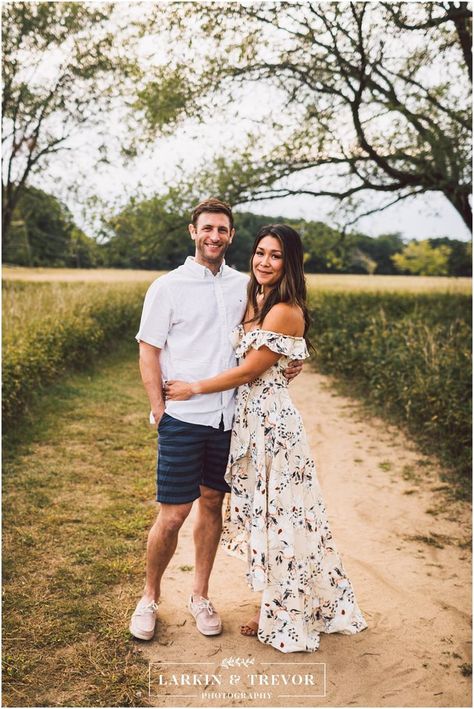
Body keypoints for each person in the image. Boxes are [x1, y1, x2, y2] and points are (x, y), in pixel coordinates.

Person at [166, 223, 368, 653]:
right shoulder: (256, 298)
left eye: (275, 256)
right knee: (267, 515)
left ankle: (282, 609)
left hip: (273, 427)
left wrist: (193, 387)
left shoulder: (284, 309)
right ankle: (273, 602)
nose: (264, 262)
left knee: (283, 517)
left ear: (289, 262)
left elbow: (249, 370)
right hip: (250, 421)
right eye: (260, 253)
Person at [130, 198, 301, 641]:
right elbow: (149, 351)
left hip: (232, 421)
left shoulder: (245, 286)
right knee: (172, 515)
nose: (214, 236)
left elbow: (271, 336)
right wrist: (161, 411)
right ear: (193, 232)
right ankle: (149, 597)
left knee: (212, 505)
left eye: (222, 230)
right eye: (207, 228)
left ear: (230, 235)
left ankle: (200, 595)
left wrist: (290, 362)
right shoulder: (167, 287)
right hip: (184, 419)